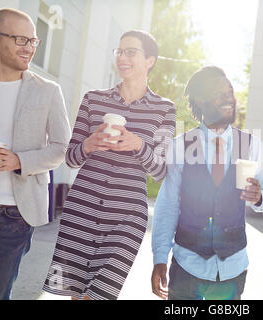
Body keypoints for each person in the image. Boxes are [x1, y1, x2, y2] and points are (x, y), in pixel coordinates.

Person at [42, 30, 176, 300]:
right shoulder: (93, 99)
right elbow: (71, 158)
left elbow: (161, 171)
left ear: (150, 60)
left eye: (131, 52)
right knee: (76, 293)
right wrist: (90, 143)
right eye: (119, 51)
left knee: (99, 295)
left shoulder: (164, 109)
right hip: (82, 208)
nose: (122, 57)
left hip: (126, 217)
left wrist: (138, 145)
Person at [151, 66, 263, 300]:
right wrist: (159, 258)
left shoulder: (251, 145)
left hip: (232, 268)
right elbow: (167, 206)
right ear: (201, 100)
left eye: (230, 91)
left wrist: (258, 197)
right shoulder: (181, 146)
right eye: (219, 92)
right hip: (187, 266)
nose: (228, 97)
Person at [0, 8, 71, 300]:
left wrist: (20, 161)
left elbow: (61, 147)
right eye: (21, 40)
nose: (29, 48)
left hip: (13, 215)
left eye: (33, 41)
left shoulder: (47, 91)